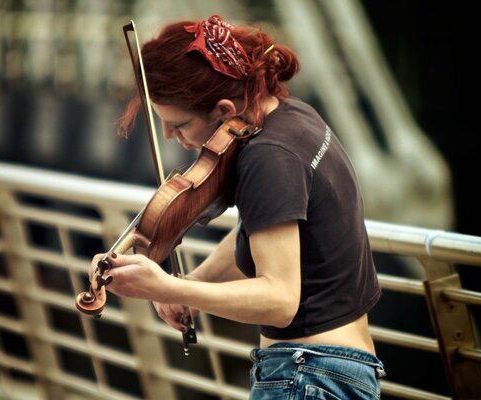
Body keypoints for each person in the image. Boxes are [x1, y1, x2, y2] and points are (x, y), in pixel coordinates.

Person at [93, 14, 386, 399]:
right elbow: (265, 227)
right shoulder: (292, 117)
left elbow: (280, 300)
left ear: (225, 110)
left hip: (307, 375)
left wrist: (167, 285)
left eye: (179, 125)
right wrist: (193, 284)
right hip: (333, 371)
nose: (168, 135)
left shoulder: (268, 157)